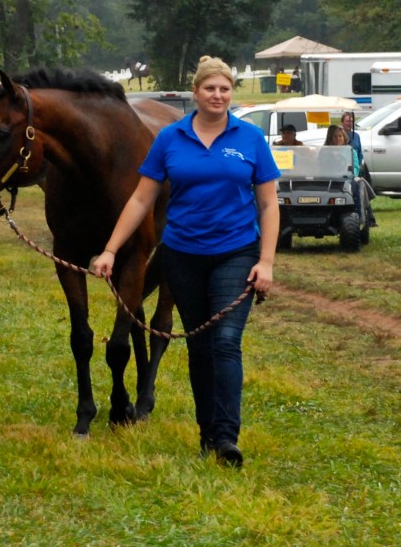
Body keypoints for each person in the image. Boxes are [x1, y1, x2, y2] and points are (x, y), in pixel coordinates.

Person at [92, 55, 280, 467]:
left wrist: (266, 261)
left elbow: (268, 204)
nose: (218, 95)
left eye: (225, 89)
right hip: (183, 255)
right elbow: (142, 198)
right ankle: (206, 433)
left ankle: (227, 438)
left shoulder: (250, 139)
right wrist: (109, 249)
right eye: (210, 88)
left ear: (232, 93)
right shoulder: (171, 139)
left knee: (226, 342)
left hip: (236, 252)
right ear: (195, 93)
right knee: (199, 346)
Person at [341, 110, 377, 226]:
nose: (349, 123)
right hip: (343, 169)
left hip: (356, 168)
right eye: (347, 121)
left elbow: (359, 152)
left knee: (362, 189)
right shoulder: (339, 134)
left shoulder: (356, 136)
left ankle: (368, 217)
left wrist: (360, 164)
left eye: (351, 121)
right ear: (342, 122)